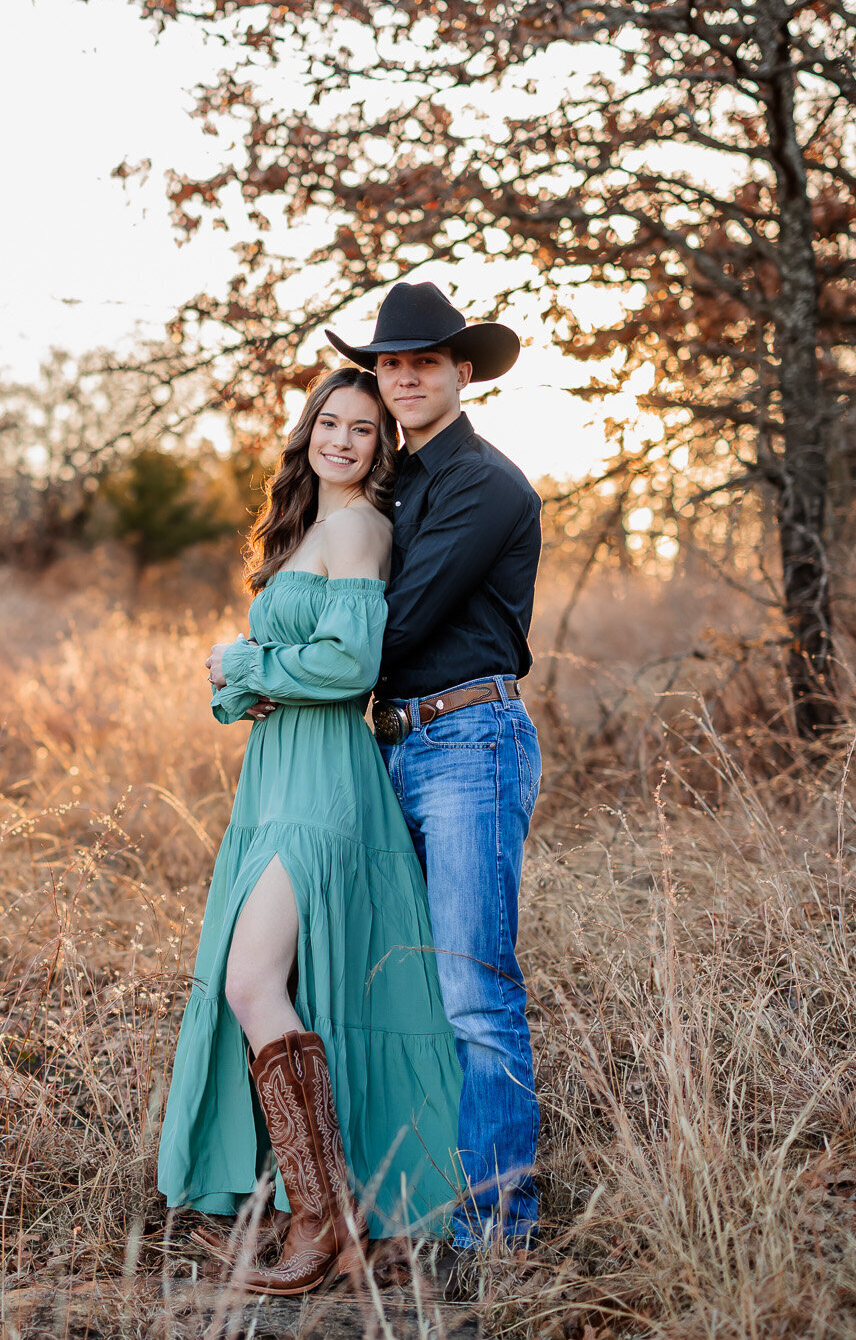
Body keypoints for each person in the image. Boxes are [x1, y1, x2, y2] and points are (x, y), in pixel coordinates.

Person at [157, 366, 465, 1295]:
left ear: (381, 447)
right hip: (278, 776)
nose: (341, 439)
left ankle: (322, 1219)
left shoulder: (360, 526)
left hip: (324, 781)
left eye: (363, 429)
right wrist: (244, 677)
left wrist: (249, 659)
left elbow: (347, 664)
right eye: (328, 422)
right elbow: (303, 659)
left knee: (254, 982)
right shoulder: (307, 529)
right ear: (308, 431)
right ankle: (327, 1217)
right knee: (278, 983)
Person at [323, 281, 543, 1250]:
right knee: (400, 987)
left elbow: (394, 622)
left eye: (422, 361)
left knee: (471, 989)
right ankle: (414, 1198)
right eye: (388, 362)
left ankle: (498, 1227)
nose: (402, 377)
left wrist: (279, 663)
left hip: (466, 745)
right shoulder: (391, 480)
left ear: (461, 371)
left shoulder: (483, 485)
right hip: (393, 742)